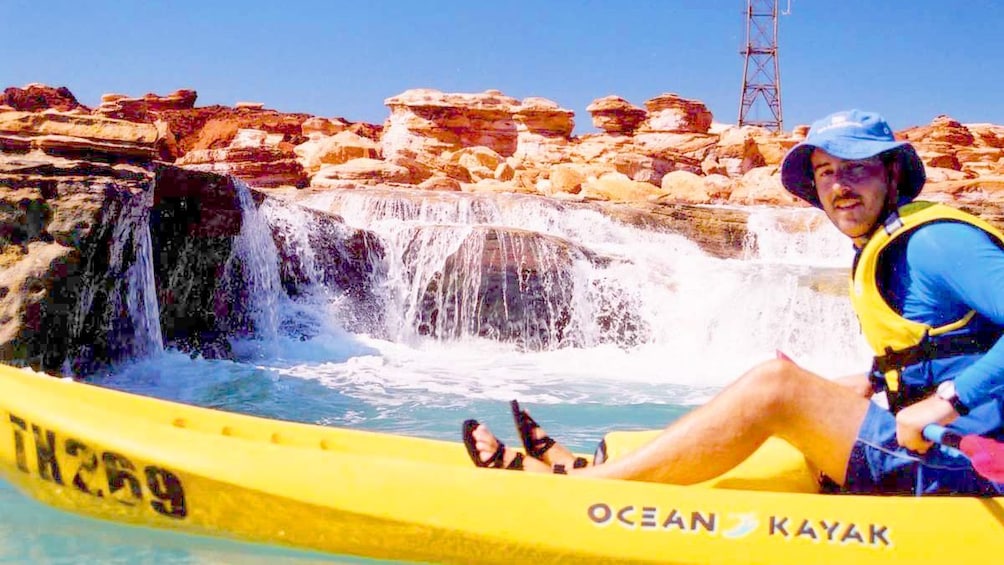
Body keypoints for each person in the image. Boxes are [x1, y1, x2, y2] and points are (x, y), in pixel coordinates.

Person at [462, 109, 1004, 495]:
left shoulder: (936, 241)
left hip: (976, 469)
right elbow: (919, 358)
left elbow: (946, 385)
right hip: (941, 446)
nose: (840, 186)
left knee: (776, 386)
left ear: (891, 173)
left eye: (857, 168)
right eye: (826, 173)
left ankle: (582, 488)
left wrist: (950, 400)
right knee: (781, 390)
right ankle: (601, 463)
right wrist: (842, 390)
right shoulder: (885, 245)